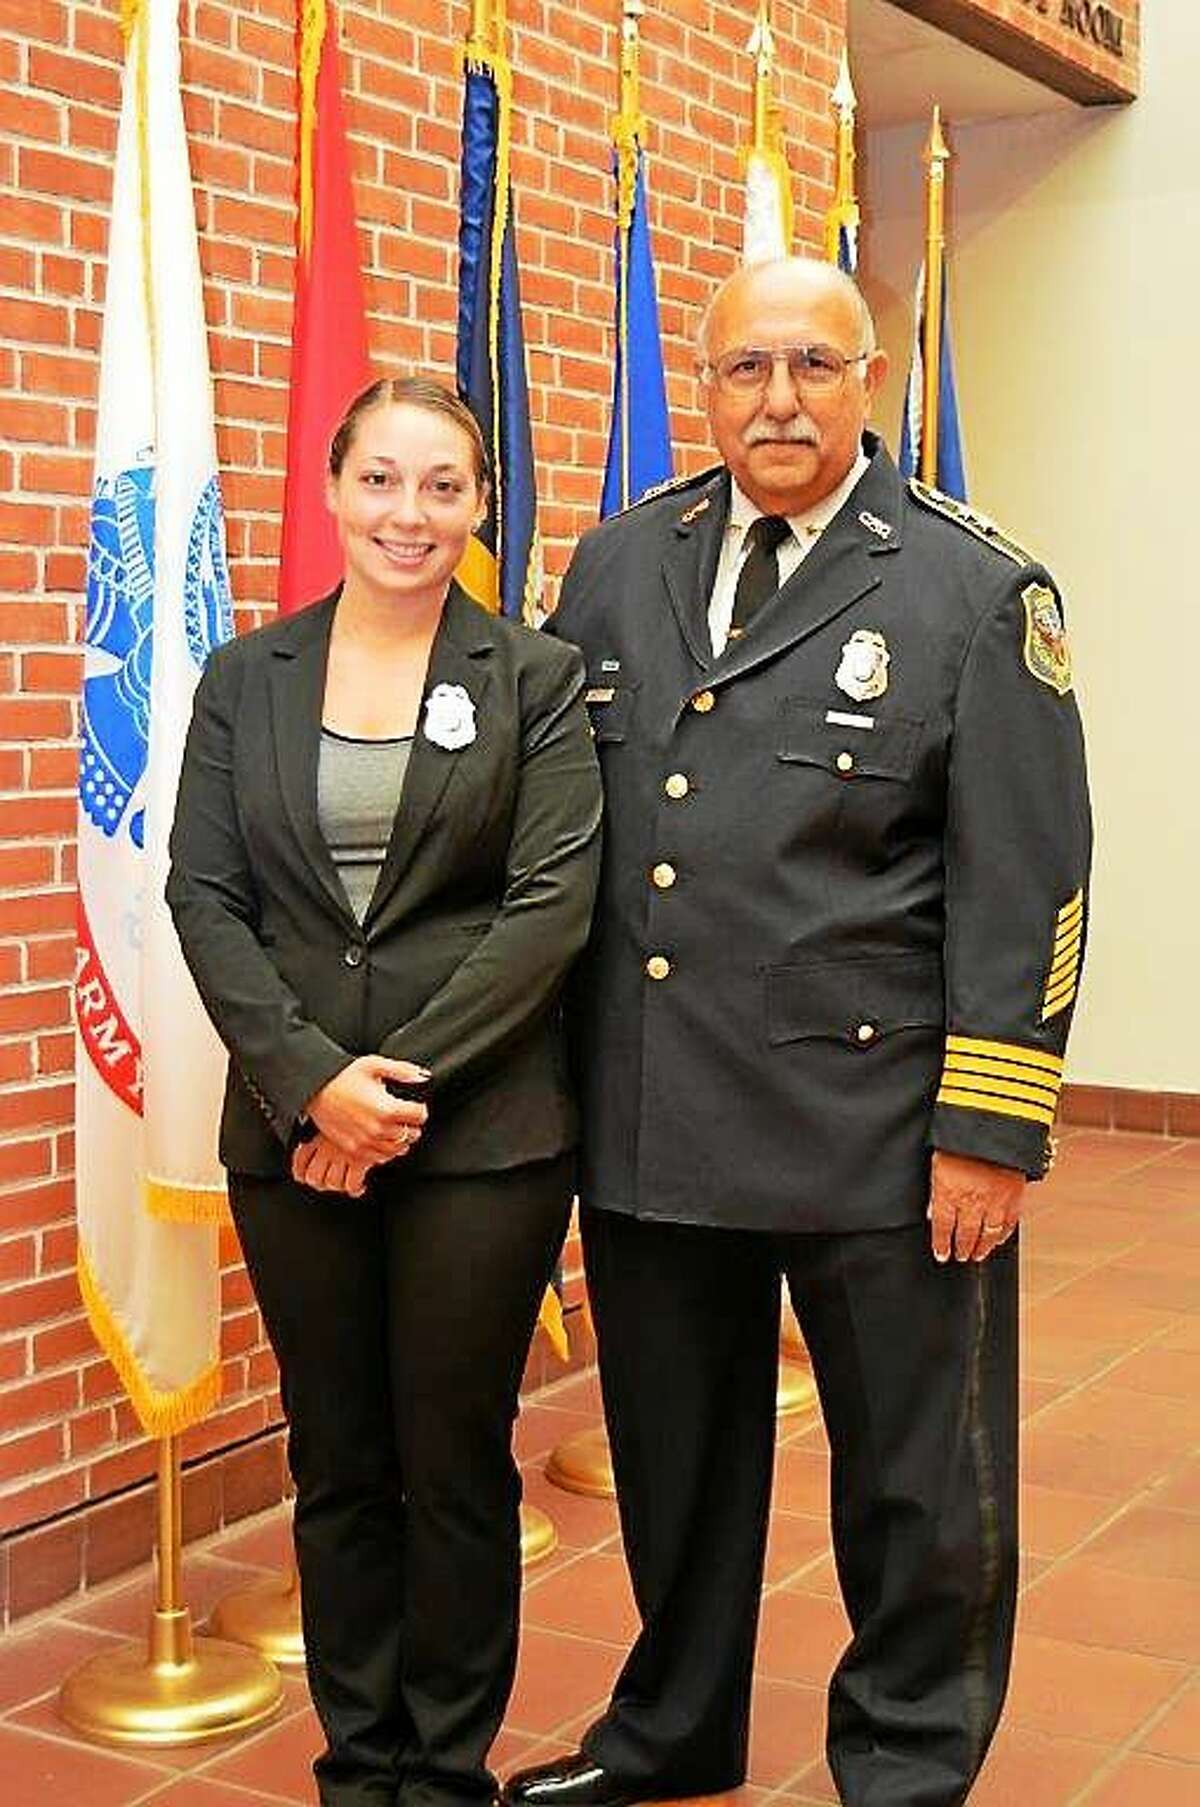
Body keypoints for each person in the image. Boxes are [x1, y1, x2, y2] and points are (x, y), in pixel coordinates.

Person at [505, 259, 1091, 1807]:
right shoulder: (618, 564)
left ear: (872, 379)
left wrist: (989, 1129)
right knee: (676, 1465)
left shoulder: (973, 589)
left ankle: (905, 1760)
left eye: (816, 367)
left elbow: (1025, 884)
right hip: (655, 1110)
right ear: (703, 387)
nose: (779, 399)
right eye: (747, 368)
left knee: (918, 1483)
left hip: (881, 1128)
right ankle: (672, 1729)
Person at [167, 375, 602, 1807]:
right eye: (381, 480)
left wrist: (384, 1092)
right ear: (333, 488)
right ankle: (363, 1764)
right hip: (294, 1139)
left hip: (481, 1139)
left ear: (480, 507)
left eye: (442, 487)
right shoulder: (249, 678)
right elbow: (205, 897)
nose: (408, 514)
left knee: (451, 1462)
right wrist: (310, 1086)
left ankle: (446, 1770)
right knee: (339, 1461)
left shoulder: (532, 678)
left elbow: (547, 909)